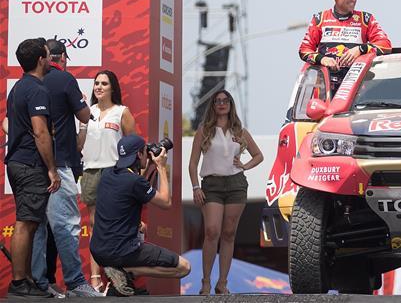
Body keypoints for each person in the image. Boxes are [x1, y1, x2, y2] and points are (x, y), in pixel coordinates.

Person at [28, 39, 100, 297]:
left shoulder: (28, 84)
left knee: (37, 227)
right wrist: (81, 103)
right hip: (58, 163)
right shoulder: (65, 80)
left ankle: (38, 282)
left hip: (31, 165)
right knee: (67, 224)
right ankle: (75, 282)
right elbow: (84, 116)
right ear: (63, 58)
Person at [90, 135, 190, 296]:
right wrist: (161, 166)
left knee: (141, 227)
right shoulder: (135, 182)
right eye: (145, 151)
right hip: (121, 251)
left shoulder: (107, 174)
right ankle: (129, 271)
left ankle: (120, 275)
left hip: (99, 251)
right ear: (138, 155)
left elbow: (133, 188)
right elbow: (165, 202)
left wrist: (147, 162)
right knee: (184, 267)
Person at [188, 89, 264, 295]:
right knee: (212, 231)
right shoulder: (204, 130)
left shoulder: (239, 131)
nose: (221, 104)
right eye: (217, 101)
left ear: (230, 104)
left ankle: (222, 283)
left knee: (229, 234)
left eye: (225, 100)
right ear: (213, 105)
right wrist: (196, 187)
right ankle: (205, 282)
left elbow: (259, 155)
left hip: (236, 185)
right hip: (211, 185)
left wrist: (245, 166)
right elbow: (193, 163)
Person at [5, 38, 61, 298]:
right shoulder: (37, 90)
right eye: (49, 56)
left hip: (18, 163)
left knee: (29, 223)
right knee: (26, 224)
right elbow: (40, 132)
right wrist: (52, 168)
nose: (51, 60)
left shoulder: (17, 88)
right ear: (41, 59)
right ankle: (19, 283)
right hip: (29, 164)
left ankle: (25, 279)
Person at [77, 70, 136, 292]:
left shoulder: (122, 112)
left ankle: (117, 276)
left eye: (104, 83)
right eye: (96, 83)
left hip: (114, 172)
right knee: (94, 225)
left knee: (114, 225)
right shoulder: (86, 112)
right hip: (91, 171)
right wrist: (82, 125)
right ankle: (94, 278)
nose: (99, 87)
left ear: (113, 88)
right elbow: (78, 146)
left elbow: (134, 147)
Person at [299, 0, 392, 92]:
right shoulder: (320, 19)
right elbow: (304, 50)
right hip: (325, 91)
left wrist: (361, 49)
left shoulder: (365, 19)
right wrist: (322, 59)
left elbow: (386, 45)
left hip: (355, 90)